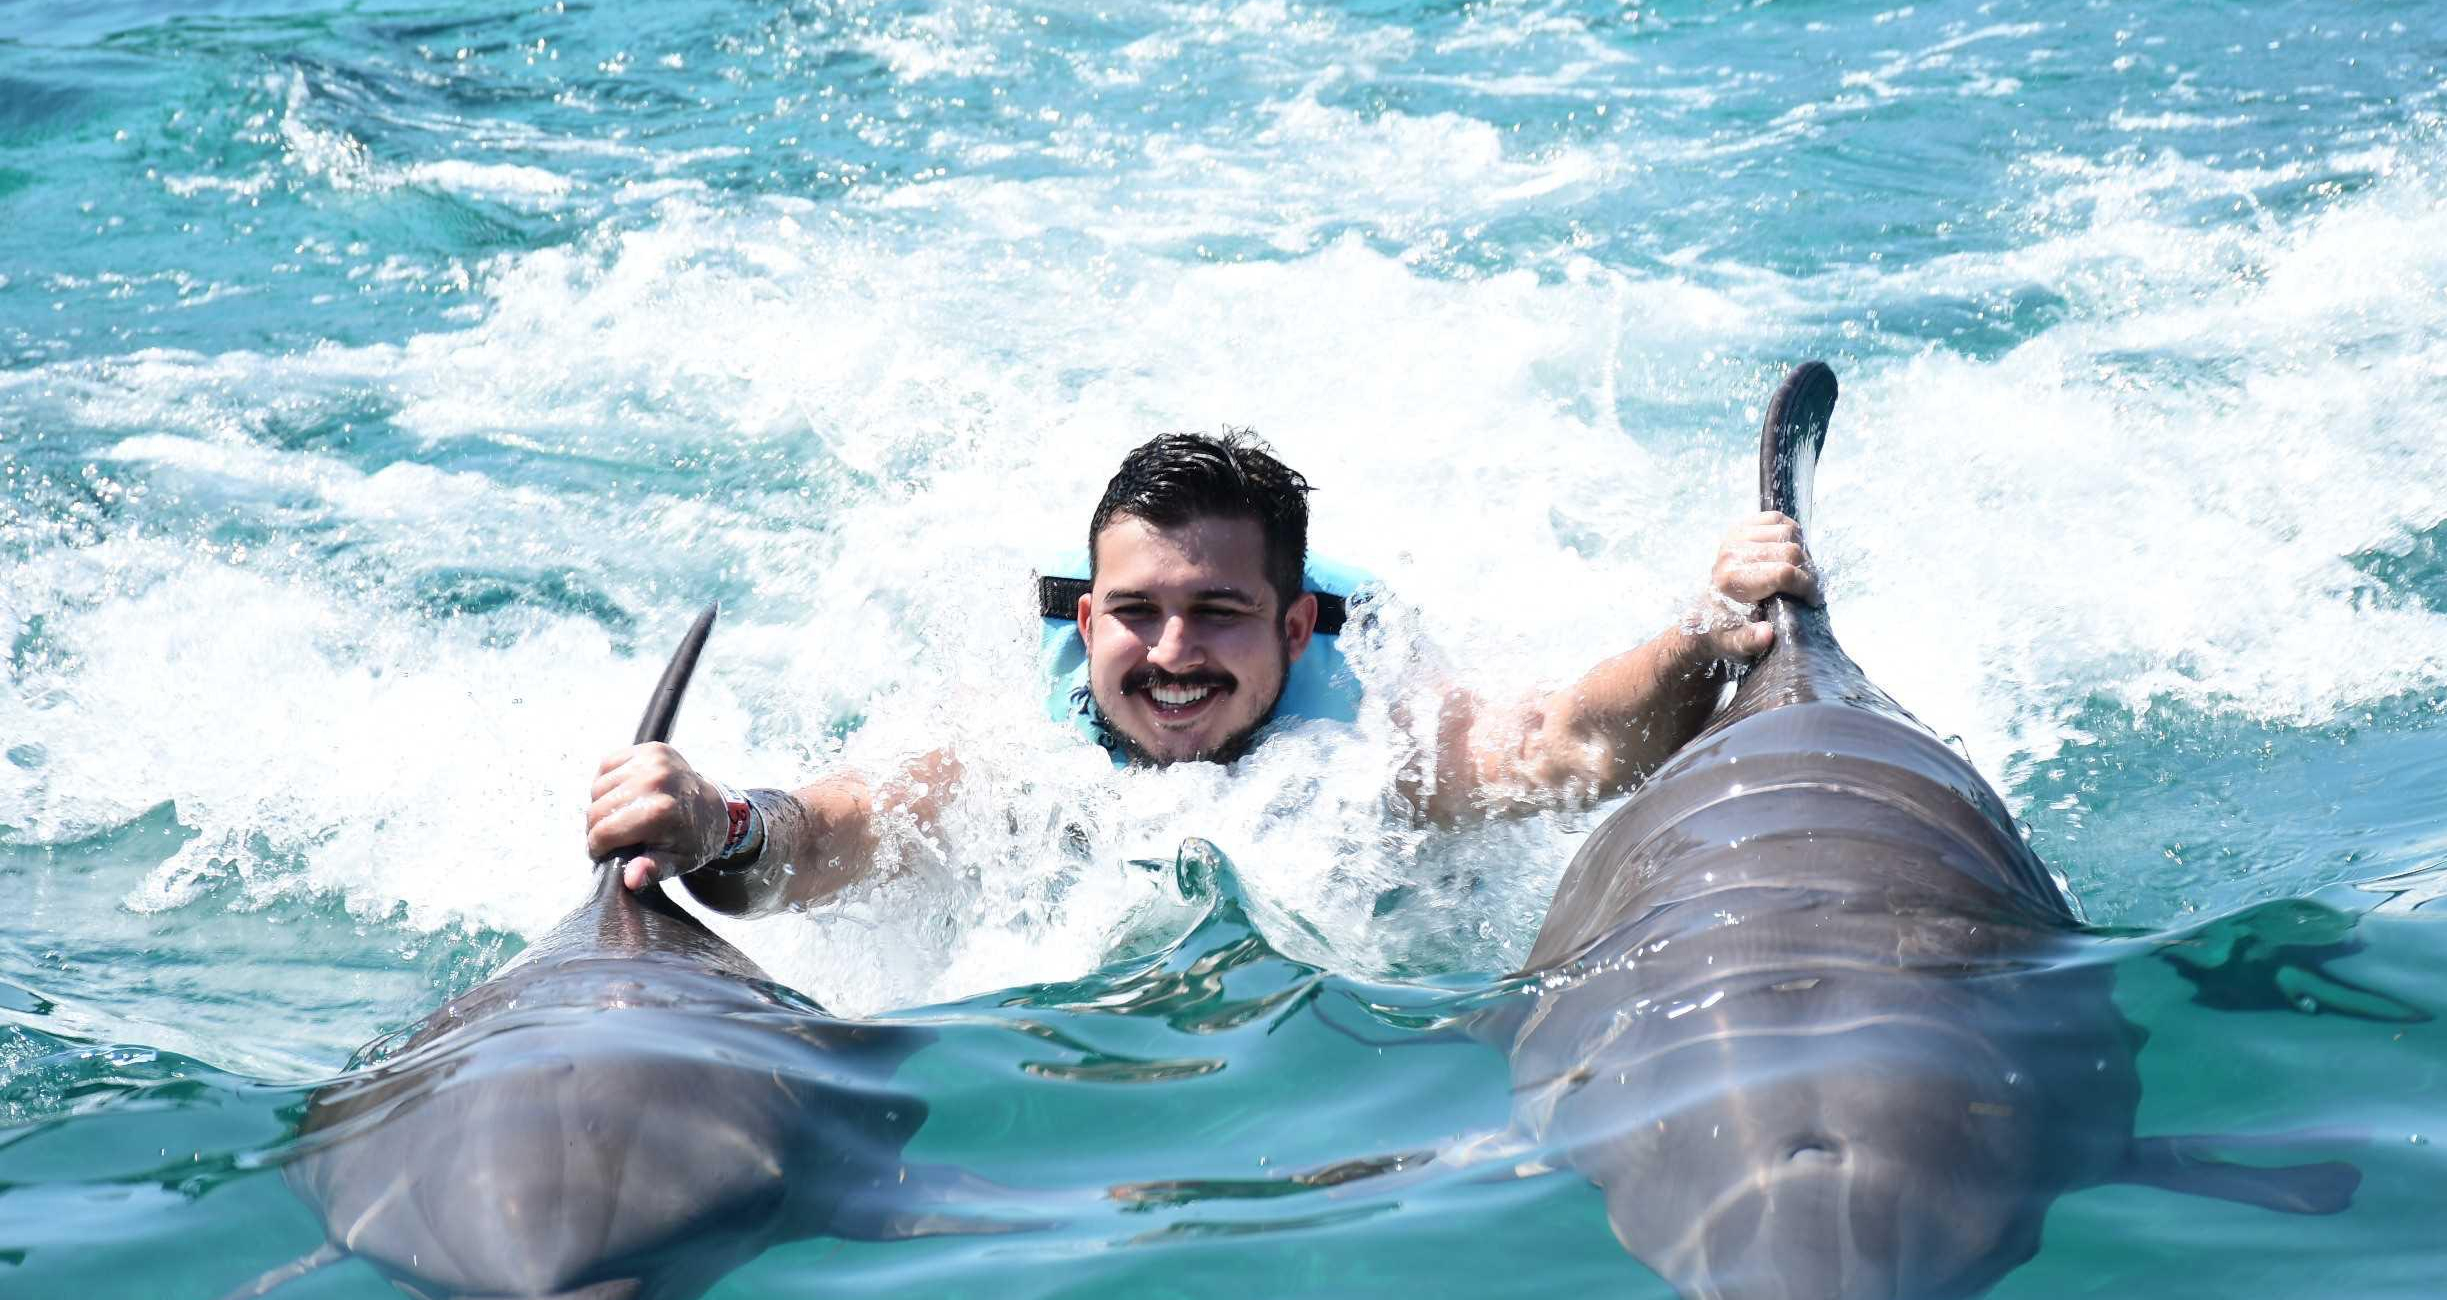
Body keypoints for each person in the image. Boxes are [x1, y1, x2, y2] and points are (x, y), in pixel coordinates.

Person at [584, 429, 1819, 916]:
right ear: (1087, 613)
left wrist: (1703, 630)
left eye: (1215, 615)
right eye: (1135, 614)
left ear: (1292, 630)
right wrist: (715, 824)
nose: (1171, 655)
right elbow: (836, 831)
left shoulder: (1369, 724)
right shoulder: (1019, 730)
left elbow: (1566, 745)